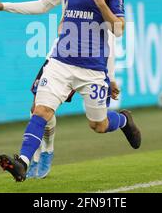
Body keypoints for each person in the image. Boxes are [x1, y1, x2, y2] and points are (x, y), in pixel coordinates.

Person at [0, 0, 141, 182]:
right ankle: (23, 162)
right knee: (41, 110)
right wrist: (4, 6)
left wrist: (101, 4)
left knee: (98, 125)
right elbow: (42, 5)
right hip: (60, 63)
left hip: (92, 71)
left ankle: (123, 120)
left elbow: (118, 30)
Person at [26, 32, 120, 179]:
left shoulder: (101, 10)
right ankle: (36, 156)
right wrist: (4, 7)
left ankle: (47, 150)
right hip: (56, 59)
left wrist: (111, 77)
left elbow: (111, 37)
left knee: (97, 124)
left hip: (84, 65)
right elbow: (45, 8)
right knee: (36, 108)